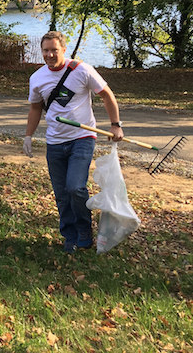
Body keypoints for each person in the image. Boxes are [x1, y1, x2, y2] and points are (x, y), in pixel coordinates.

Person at [23, 30, 124, 253]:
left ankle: (84, 230)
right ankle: (70, 236)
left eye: (54, 50)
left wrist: (116, 124)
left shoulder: (82, 70)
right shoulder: (37, 78)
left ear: (64, 50)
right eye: (45, 51)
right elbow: (35, 108)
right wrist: (28, 135)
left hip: (82, 138)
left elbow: (106, 94)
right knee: (61, 193)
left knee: (75, 187)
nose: (49, 55)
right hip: (55, 142)